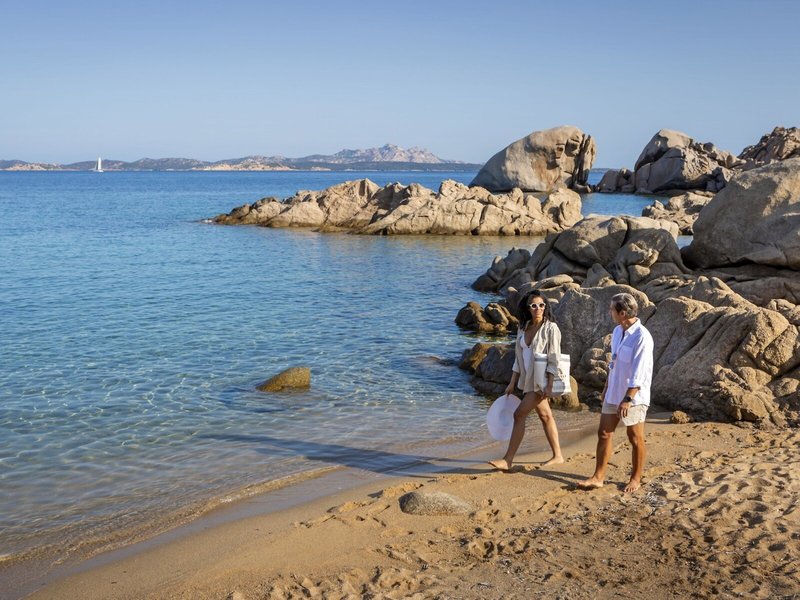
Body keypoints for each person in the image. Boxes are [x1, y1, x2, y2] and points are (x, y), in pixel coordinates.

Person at [578, 292, 654, 493]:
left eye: (612, 309)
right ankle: (598, 477)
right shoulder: (618, 331)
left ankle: (635, 478)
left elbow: (640, 372)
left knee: (634, 437)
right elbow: (614, 362)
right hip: (614, 392)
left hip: (633, 397)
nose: (609, 312)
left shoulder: (642, 337)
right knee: (604, 433)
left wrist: (628, 399)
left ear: (622, 313)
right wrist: (606, 387)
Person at [488, 292, 564, 471]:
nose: (538, 309)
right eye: (534, 305)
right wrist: (512, 382)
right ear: (528, 308)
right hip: (528, 379)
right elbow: (518, 358)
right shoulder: (524, 327)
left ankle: (508, 460)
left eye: (541, 305)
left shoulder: (551, 328)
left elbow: (554, 358)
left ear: (545, 307)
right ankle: (558, 455)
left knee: (519, 415)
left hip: (542, 380)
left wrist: (550, 384)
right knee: (545, 416)